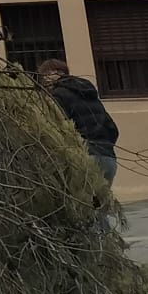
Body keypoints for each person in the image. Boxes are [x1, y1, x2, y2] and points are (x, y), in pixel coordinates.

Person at [39, 58, 119, 200]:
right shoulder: (89, 93)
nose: (44, 81)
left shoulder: (58, 95)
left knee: (84, 208)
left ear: (57, 73)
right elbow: (113, 128)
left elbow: (57, 128)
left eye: (45, 75)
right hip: (108, 157)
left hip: (83, 158)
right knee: (100, 209)